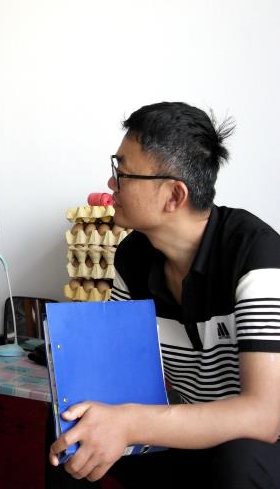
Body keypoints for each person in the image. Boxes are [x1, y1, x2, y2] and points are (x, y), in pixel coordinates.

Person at [47, 102, 280, 488]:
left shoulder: (256, 254)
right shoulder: (133, 256)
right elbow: (119, 372)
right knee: (72, 421)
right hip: (193, 438)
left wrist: (131, 422)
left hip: (261, 448)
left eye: (122, 173)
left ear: (174, 195)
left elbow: (265, 417)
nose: (111, 184)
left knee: (238, 458)